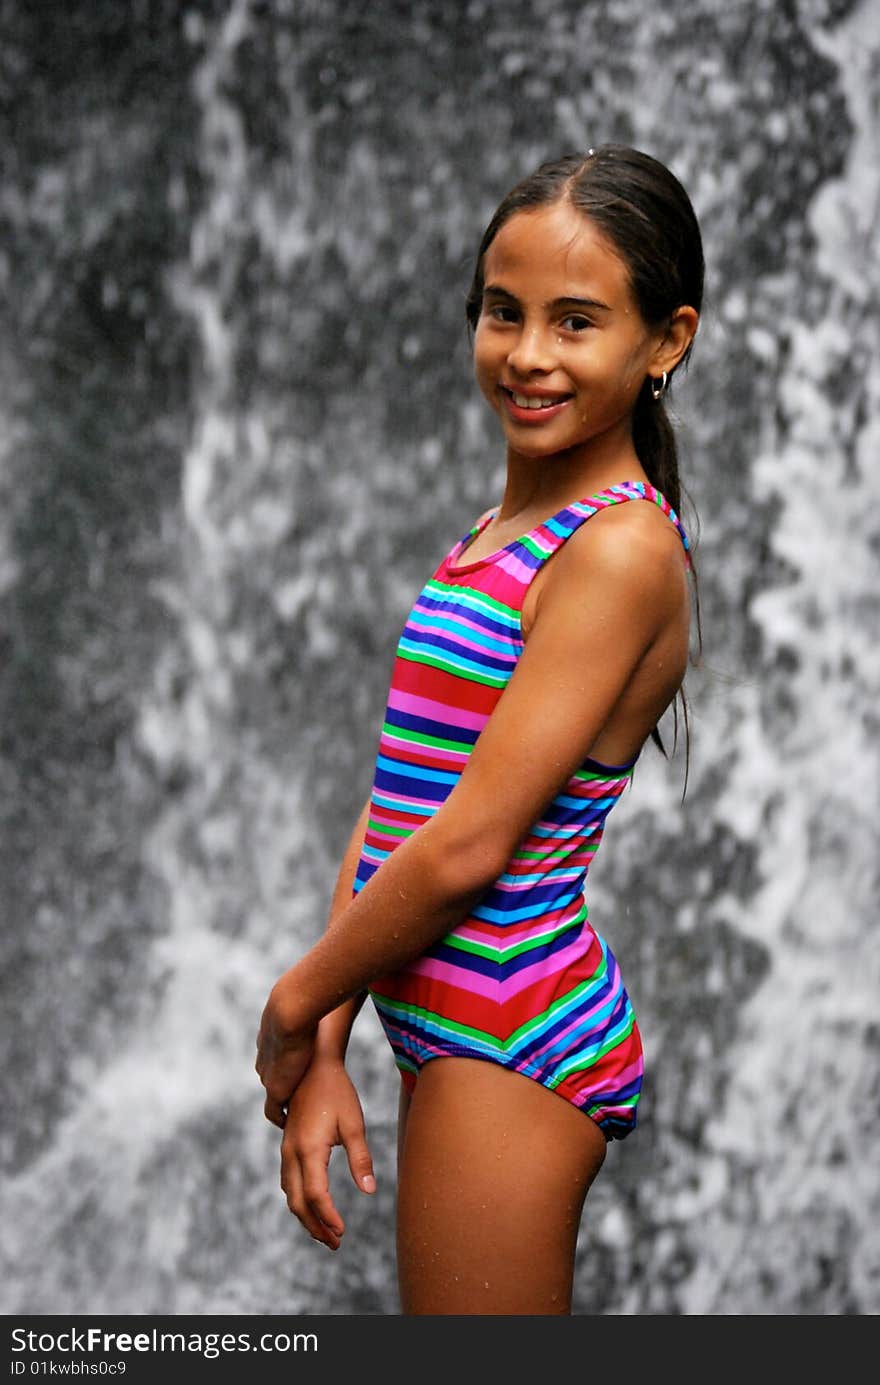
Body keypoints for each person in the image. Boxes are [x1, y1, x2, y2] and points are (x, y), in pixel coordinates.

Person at [256, 143, 704, 1315]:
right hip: (438, 1006)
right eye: (503, 313)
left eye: (576, 320)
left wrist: (295, 1003)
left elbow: (470, 844)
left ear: (666, 341)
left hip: (510, 1024)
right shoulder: (504, 524)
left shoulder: (618, 549)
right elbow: (406, 788)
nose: (528, 354)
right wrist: (335, 1032)